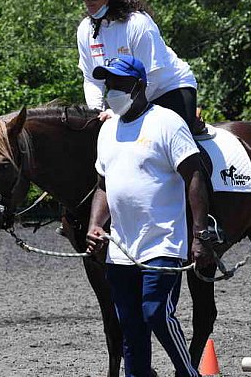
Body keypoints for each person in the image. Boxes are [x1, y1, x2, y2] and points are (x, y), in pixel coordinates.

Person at [85, 56, 213, 377]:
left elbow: (194, 176)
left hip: (163, 244)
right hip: (121, 248)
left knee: (156, 312)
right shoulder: (108, 129)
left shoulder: (167, 122)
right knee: (130, 324)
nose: (112, 89)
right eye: (108, 83)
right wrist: (95, 225)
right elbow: (103, 184)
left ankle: (188, 372)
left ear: (139, 86)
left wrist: (200, 235)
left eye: (119, 83)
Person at [75, 0, 201, 133]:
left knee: (163, 144)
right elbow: (92, 80)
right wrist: (97, 113)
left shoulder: (138, 25)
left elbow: (153, 78)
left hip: (168, 90)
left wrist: (119, 112)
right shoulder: (85, 31)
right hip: (128, 99)